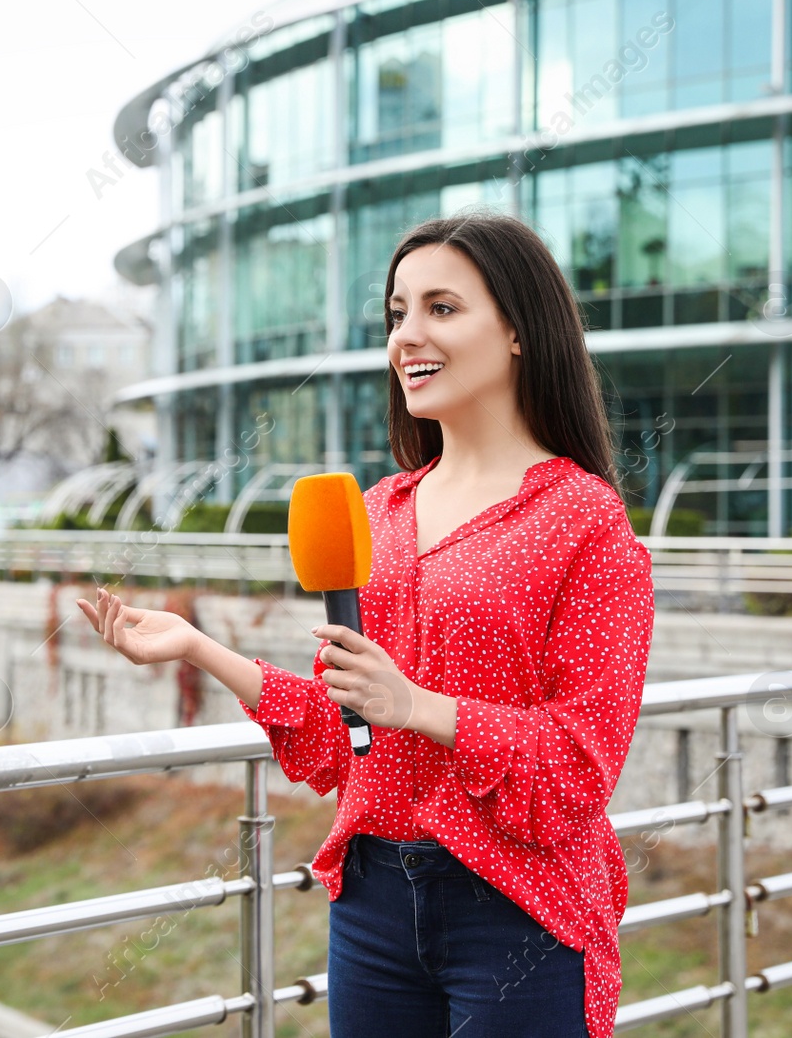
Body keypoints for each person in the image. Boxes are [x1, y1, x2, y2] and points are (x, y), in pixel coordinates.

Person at [76, 212, 654, 1038]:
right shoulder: (378, 512)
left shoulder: (585, 523)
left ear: (521, 330)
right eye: (396, 313)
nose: (407, 336)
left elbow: (575, 772)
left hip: (519, 911)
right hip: (373, 907)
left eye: (441, 308)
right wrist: (196, 646)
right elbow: (340, 731)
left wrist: (417, 704)